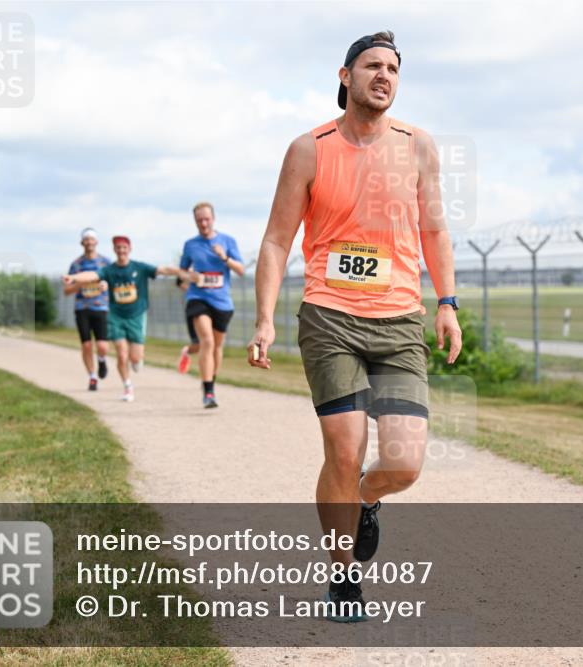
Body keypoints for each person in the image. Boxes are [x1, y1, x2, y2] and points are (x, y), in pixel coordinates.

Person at [247, 31, 462, 621]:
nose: (384, 75)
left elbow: (435, 232)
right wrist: (265, 319)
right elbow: (275, 240)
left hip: (398, 321)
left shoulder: (419, 146)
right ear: (346, 76)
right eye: (372, 65)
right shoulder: (308, 149)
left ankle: (366, 499)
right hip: (330, 316)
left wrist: (447, 302)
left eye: (393, 68)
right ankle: (343, 578)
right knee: (345, 448)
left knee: (404, 462)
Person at [64, 236, 192, 402]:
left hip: (137, 316)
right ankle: (127, 385)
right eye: (118, 248)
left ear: (129, 249)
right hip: (116, 316)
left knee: (135, 359)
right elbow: (92, 275)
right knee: (122, 354)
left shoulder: (140, 267)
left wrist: (184, 273)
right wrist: (74, 278)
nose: (121, 251)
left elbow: (163, 270)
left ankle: (136, 363)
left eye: (124, 248)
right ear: (114, 250)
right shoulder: (109, 270)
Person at [179, 202, 245, 408]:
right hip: (198, 298)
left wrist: (224, 257)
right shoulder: (190, 245)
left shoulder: (227, 241)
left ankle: (211, 385)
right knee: (206, 342)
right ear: (195, 221)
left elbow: (241, 270)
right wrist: (188, 278)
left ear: (213, 219)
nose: (203, 223)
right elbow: (180, 278)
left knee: (216, 347)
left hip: (222, 302)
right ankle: (208, 393)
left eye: (206, 219)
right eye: (199, 220)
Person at [64, 228, 111, 391]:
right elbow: (67, 290)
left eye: (92, 239)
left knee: (103, 346)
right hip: (82, 308)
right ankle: (92, 377)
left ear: (96, 242)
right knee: (86, 345)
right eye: (86, 239)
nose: (89, 242)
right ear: (82, 242)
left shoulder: (105, 262)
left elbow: (113, 282)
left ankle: (102, 360)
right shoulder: (76, 265)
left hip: (101, 308)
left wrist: (106, 285)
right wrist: (81, 282)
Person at [175, 276, 200, 374]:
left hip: (215, 306)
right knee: (199, 345)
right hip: (195, 309)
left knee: (212, 345)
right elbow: (179, 281)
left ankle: (208, 381)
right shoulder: (192, 265)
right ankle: (187, 352)